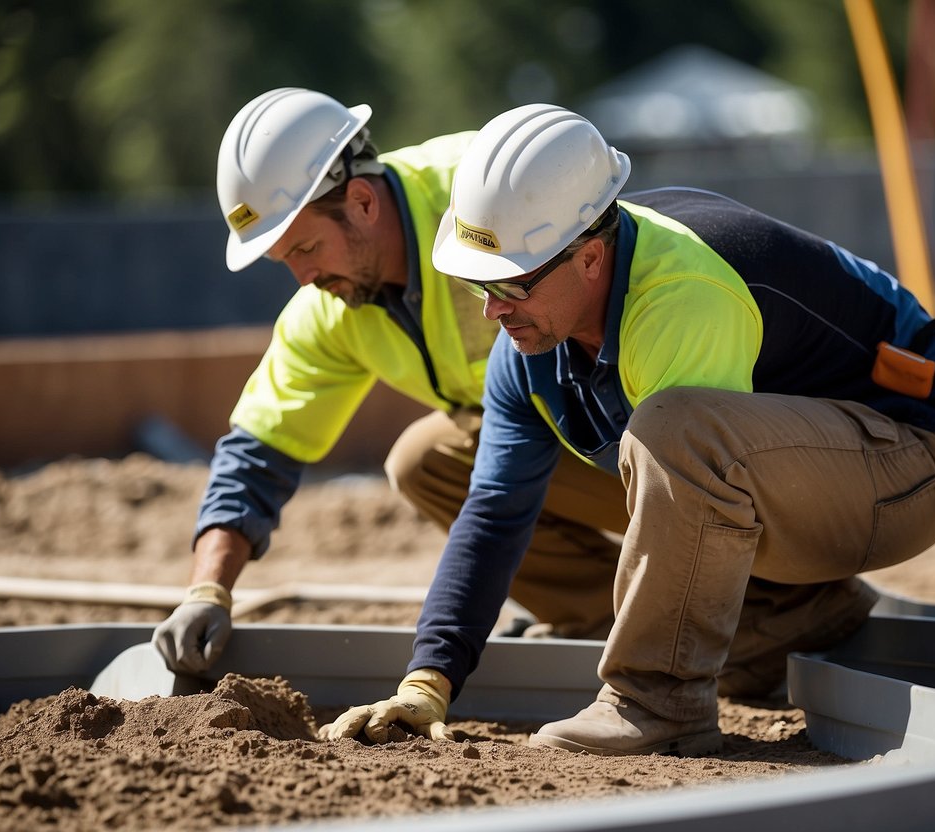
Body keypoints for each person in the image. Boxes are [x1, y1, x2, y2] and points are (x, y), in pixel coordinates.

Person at [318, 103, 935, 755]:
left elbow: (700, 481)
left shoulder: (681, 299)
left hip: (907, 465)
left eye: (512, 284)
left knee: (675, 430)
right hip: (792, 477)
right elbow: (495, 511)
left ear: (588, 255)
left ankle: (657, 703)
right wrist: (427, 681)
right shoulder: (532, 334)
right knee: (438, 456)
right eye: (477, 283)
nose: (492, 310)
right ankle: (777, 628)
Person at [153, 90, 631, 675]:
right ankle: (604, 618)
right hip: (545, 445)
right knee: (424, 461)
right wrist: (208, 591)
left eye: (306, 247)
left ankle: (736, 609)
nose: (304, 278)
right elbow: (256, 454)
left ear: (360, 201)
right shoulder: (328, 308)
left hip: (648, 435)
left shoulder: (483, 197)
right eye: (285, 260)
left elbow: (614, 260)